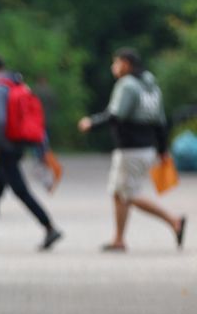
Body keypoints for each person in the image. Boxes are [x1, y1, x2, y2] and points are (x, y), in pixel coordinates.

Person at [78, 48, 186, 251]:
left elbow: (116, 115)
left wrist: (91, 123)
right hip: (147, 148)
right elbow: (161, 123)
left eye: (116, 63)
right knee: (119, 193)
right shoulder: (152, 87)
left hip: (130, 149)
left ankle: (174, 221)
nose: (113, 68)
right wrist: (162, 150)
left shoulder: (127, 85)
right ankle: (118, 239)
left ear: (126, 64)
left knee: (128, 194)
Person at [0, 53, 63, 250]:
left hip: (4, 147)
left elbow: (0, 120)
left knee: (20, 191)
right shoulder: (15, 83)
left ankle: (49, 227)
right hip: (17, 143)